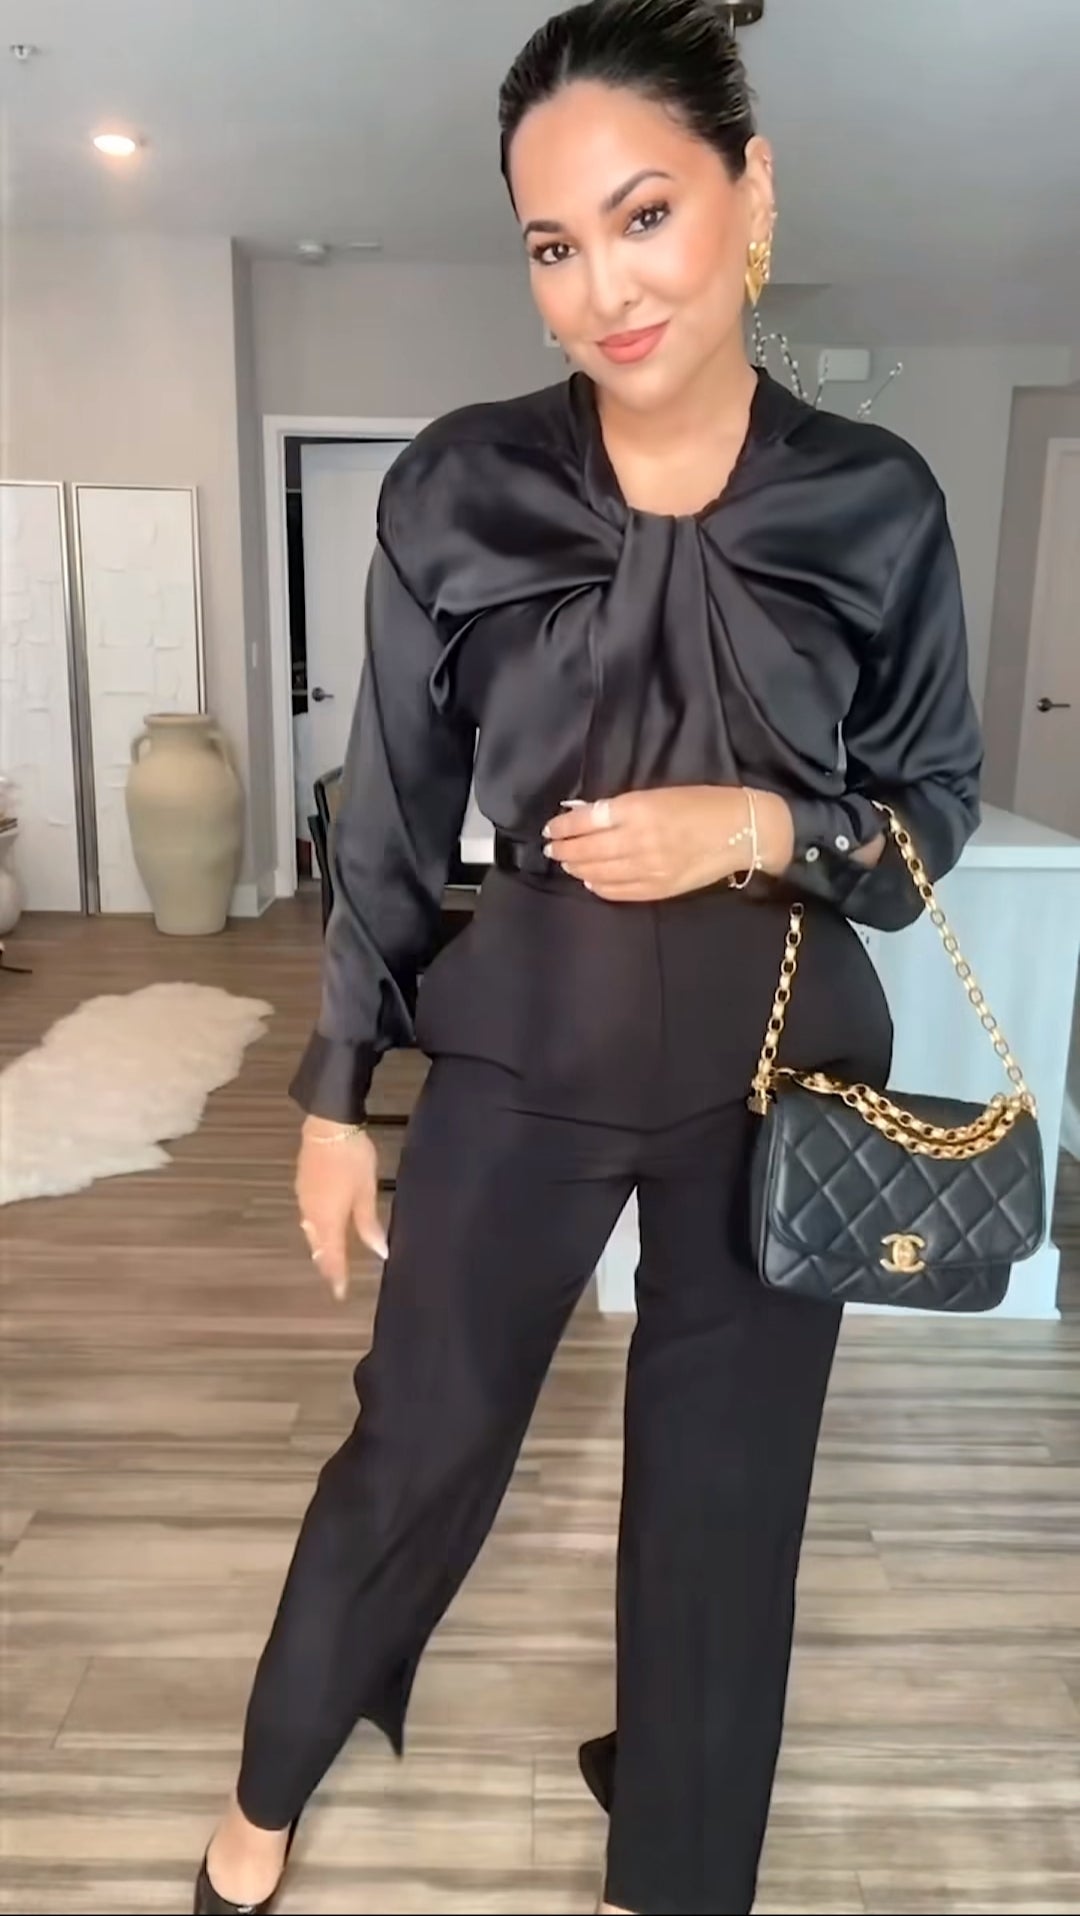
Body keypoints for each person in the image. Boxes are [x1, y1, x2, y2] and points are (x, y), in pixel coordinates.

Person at [194, 1, 981, 1911]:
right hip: (523, 1051)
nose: (603, 289)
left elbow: (931, 812)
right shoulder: (458, 488)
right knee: (418, 1443)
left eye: (645, 216)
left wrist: (761, 825)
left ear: (751, 194)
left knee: (728, 1501)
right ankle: (264, 1797)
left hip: (783, 1070)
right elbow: (391, 820)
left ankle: (676, 1863)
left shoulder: (876, 501)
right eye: (555, 243)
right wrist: (333, 1097)